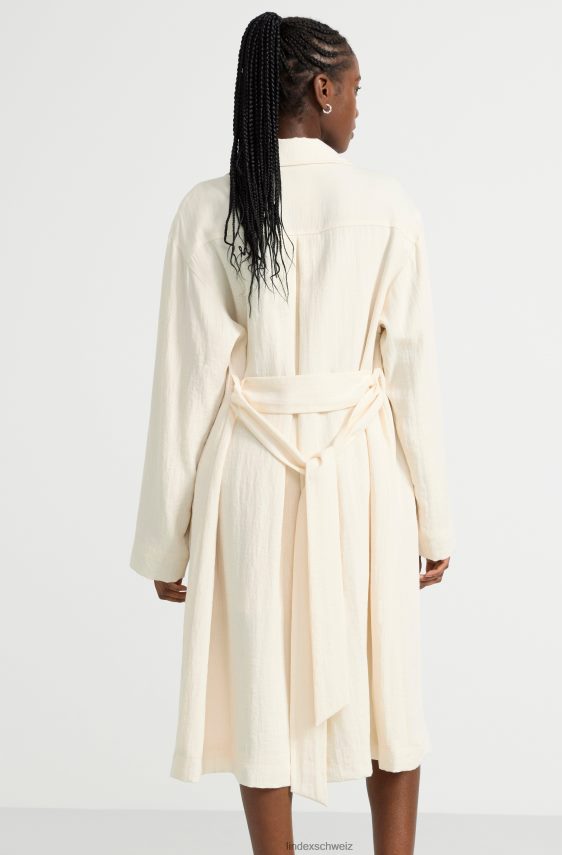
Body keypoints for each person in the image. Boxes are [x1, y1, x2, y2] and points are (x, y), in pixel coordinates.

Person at [129, 11, 455, 855]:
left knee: (260, 680)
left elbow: (185, 384)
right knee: (387, 679)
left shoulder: (210, 208)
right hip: (363, 470)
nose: (358, 107)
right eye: (355, 89)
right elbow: (413, 376)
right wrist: (434, 521)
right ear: (320, 88)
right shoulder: (386, 205)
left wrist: (168, 539)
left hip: (252, 472)